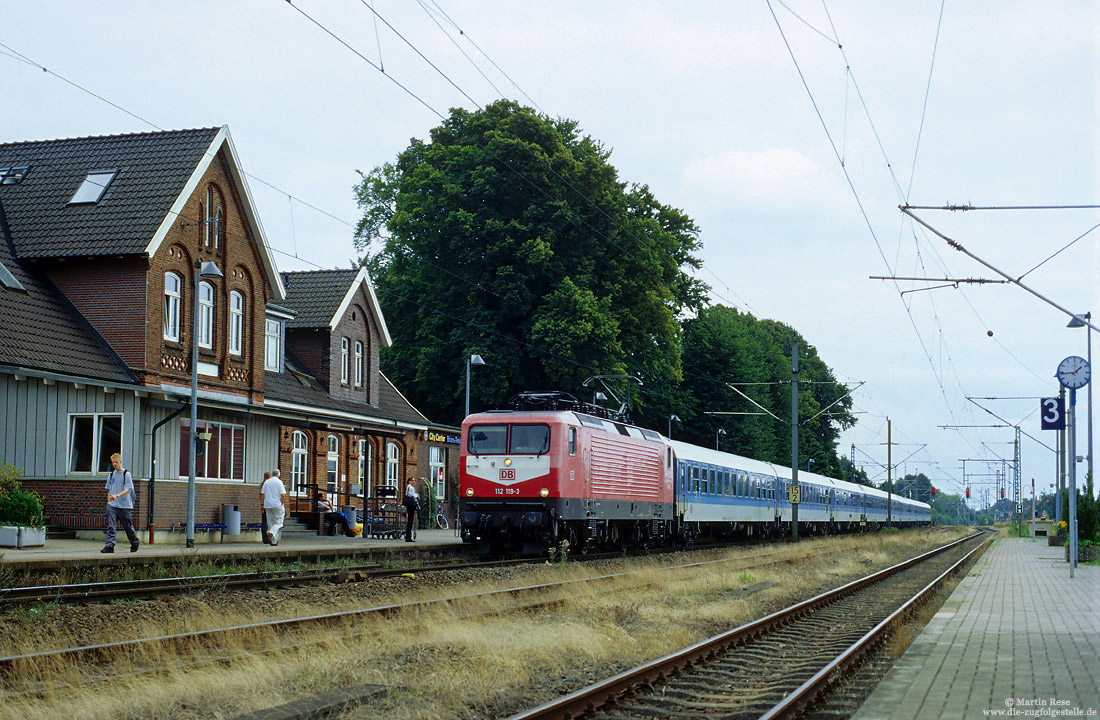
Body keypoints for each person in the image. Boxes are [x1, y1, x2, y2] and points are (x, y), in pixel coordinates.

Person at [102, 452, 140, 553]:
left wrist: (117, 495)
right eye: (113, 463)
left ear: (120, 462)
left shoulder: (126, 474)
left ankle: (135, 542)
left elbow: (128, 489)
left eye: (116, 462)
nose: (114, 464)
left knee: (128, 526)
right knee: (111, 526)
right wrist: (109, 502)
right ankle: (110, 545)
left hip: (124, 505)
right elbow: (109, 490)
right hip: (113, 505)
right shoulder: (111, 475)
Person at [261, 468, 287, 546]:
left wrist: (262, 504)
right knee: (279, 522)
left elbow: (262, 494)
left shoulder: (266, 482)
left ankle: (273, 541)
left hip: (267, 505)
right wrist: (282, 503)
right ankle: (271, 532)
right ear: (279, 475)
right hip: (277, 504)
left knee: (270, 523)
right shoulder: (279, 482)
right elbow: (282, 495)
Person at [403, 478, 420, 542]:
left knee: (410, 520)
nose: (414, 481)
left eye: (414, 480)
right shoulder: (411, 488)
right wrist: (417, 495)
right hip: (411, 505)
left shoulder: (408, 487)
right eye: (412, 480)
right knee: (410, 520)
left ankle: (408, 536)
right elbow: (414, 496)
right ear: (409, 481)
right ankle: (408, 537)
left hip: (408, 504)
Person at [260, 471, 273, 544]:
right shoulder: (265, 485)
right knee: (265, 522)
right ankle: (265, 538)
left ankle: (265, 538)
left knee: (265, 522)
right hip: (266, 505)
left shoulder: (263, 485)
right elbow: (263, 495)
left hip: (265, 505)